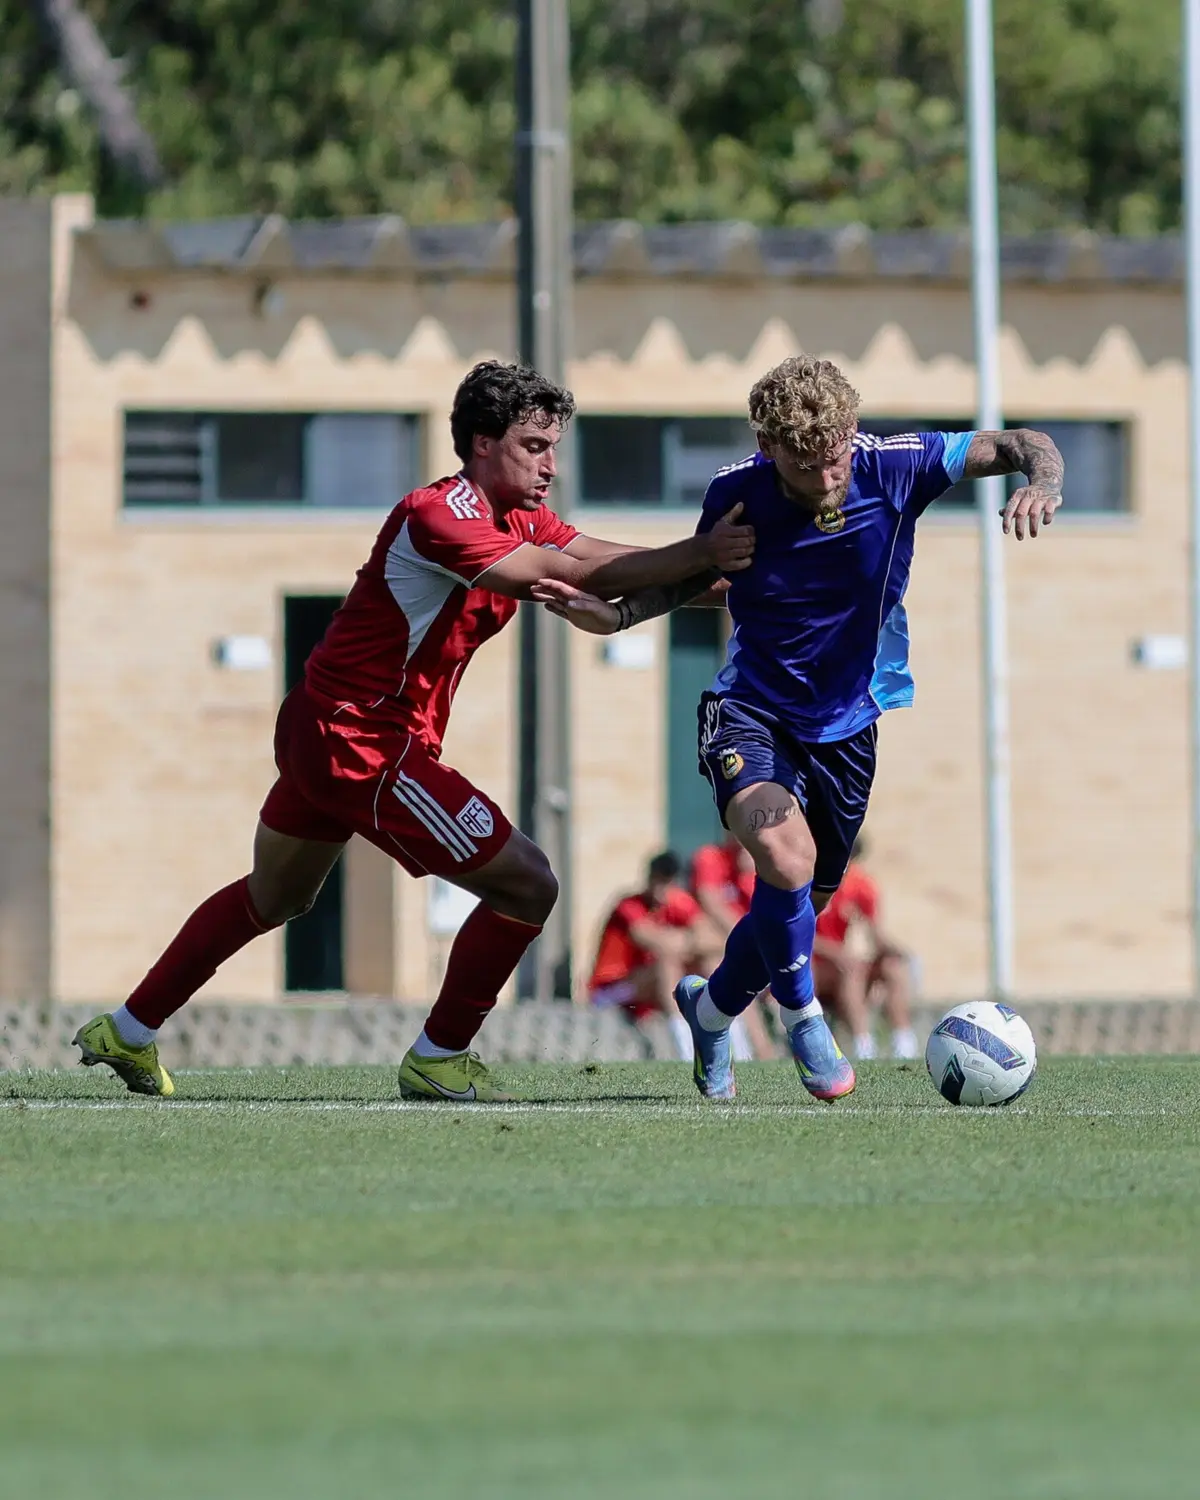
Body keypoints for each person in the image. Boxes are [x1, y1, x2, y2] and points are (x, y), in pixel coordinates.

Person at [73, 361, 754, 1102]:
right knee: (528, 884)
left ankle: (127, 1030)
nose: (550, 464)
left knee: (274, 898)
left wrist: (728, 574)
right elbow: (565, 574)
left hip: (326, 729)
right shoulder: (441, 517)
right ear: (482, 443)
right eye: (534, 445)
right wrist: (703, 555)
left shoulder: (520, 515)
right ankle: (440, 1054)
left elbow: (598, 558)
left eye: (554, 445)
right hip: (361, 741)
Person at [536, 354, 1063, 1101]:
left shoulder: (896, 465)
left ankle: (711, 1009)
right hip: (750, 710)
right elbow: (702, 578)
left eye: (837, 456)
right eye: (806, 464)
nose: (827, 478)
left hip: (848, 725)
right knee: (783, 860)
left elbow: (1017, 442)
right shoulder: (735, 493)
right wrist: (620, 615)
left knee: (799, 906)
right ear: (768, 446)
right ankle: (801, 1018)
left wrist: (1041, 483)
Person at [588, 851, 721, 1058]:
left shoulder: (678, 904)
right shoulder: (628, 906)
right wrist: (691, 940)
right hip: (610, 989)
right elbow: (656, 942)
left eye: (666, 884)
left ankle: (732, 1041)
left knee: (711, 962)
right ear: (648, 879)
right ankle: (686, 1048)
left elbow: (716, 941)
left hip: (646, 986)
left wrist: (686, 941)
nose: (661, 892)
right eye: (657, 882)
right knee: (667, 964)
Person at [812, 836, 918, 1061]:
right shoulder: (809, 883)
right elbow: (799, 936)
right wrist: (837, 953)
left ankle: (904, 1044)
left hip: (849, 964)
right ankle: (864, 1045)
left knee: (893, 967)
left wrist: (894, 950)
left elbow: (875, 933)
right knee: (852, 967)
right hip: (817, 965)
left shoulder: (860, 885)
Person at [689, 834, 779, 1059]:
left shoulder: (756, 869)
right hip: (705, 951)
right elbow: (709, 904)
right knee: (731, 970)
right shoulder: (710, 858)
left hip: (739, 948)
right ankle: (759, 1050)